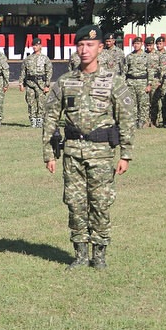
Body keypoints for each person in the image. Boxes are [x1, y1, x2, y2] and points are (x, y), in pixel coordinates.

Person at [42, 25, 135, 270]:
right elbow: (50, 116)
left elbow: (126, 118)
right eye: (81, 45)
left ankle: (100, 253)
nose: (85, 50)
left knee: (101, 203)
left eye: (90, 45)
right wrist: (48, 152)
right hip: (72, 152)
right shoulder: (65, 81)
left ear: (100, 48)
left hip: (102, 154)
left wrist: (126, 154)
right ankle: (80, 253)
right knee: (75, 204)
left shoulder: (113, 81)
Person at [18, 38, 52, 127]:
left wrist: (47, 85)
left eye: (36, 45)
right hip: (30, 83)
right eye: (33, 45)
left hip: (41, 83)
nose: (34, 47)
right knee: (30, 102)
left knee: (41, 103)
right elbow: (23, 71)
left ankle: (40, 121)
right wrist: (21, 83)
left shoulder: (45, 58)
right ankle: (33, 120)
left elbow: (49, 72)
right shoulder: (28, 59)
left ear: (41, 46)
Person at [124, 36, 152, 129]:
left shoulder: (146, 56)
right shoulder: (129, 57)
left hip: (142, 82)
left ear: (141, 45)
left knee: (143, 103)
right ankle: (134, 120)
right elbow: (125, 71)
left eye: (138, 44)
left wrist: (149, 84)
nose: (136, 45)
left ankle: (142, 121)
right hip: (131, 82)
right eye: (134, 44)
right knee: (132, 103)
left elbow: (150, 71)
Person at [151, 35, 166, 127]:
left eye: (160, 44)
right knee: (154, 103)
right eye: (157, 44)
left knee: (165, 102)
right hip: (155, 82)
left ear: (164, 44)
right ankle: (154, 120)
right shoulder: (153, 55)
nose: (158, 46)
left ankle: (165, 121)